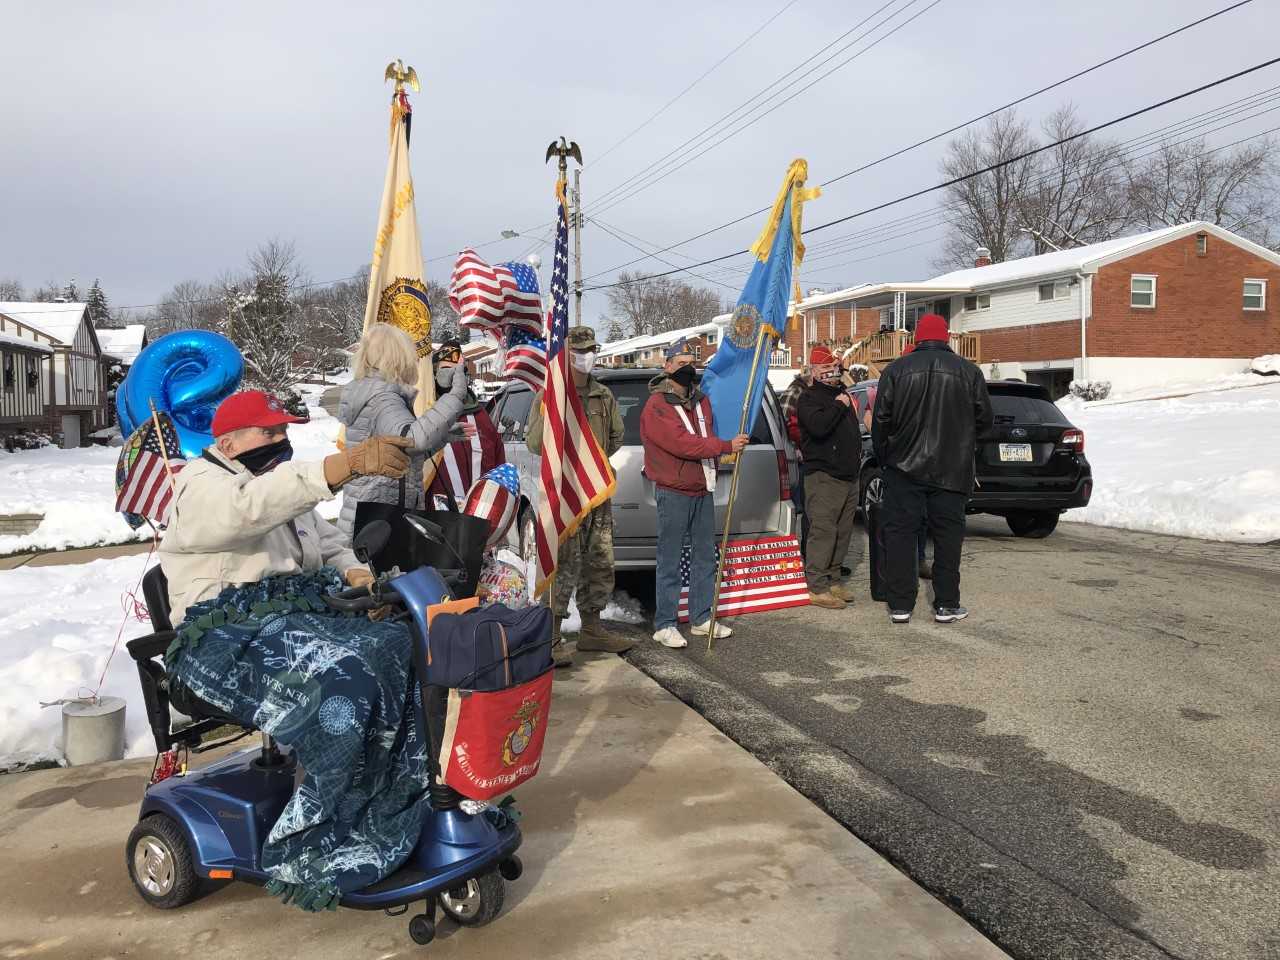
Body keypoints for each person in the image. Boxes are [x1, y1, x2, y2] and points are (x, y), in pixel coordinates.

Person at [159, 390, 431, 907]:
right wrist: (340, 466)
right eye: (270, 432)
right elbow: (250, 512)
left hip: (291, 616)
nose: (280, 441)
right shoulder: (199, 486)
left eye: (285, 432)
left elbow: (323, 541)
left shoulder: (272, 483)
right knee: (343, 675)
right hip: (222, 633)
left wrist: (353, 570)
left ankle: (392, 801)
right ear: (229, 441)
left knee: (401, 643)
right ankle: (315, 840)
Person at [871, 314, 992, 624]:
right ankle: (947, 603)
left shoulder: (897, 370)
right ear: (947, 337)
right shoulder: (969, 372)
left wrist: (887, 457)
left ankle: (900, 605)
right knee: (948, 538)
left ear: (917, 337)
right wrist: (965, 445)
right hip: (951, 469)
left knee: (901, 536)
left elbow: (881, 421)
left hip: (903, 468)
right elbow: (984, 421)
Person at [527, 326, 634, 664]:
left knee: (599, 561)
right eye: (579, 352)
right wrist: (554, 413)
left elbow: (616, 437)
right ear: (566, 355)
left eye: (590, 351)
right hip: (565, 496)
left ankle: (591, 630)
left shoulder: (603, 395)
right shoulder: (551, 394)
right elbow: (534, 443)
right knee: (564, 564)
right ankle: (554, 636)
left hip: (596, 491)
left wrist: (593, 467)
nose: (585, 357)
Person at [639, 339, 749, 649]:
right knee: (670, 559)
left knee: (705, 557)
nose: (687, 367)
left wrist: (722, 452)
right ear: (668, 366)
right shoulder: (657, 405)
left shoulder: (702, 400)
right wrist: (725, 446)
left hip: (703, 488)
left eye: (691, 361)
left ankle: (701, 617)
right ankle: (665, 623)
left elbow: (706, 436)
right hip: (674, 491)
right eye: (681, 362)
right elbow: (682, 443)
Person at [335, 323, 470, 539]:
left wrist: (441, 436)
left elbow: (399, 453)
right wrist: (455, 395)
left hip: (370, 520)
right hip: (377, 527)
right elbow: (413, 439)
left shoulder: (371, 393)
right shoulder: (382, 398)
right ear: (398, 357)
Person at [796, 345, 861, 610]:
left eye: (833, 367)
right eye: (825, 368)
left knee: (843, 532)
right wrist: (837, 405)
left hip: (848, 475)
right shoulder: (809, 398)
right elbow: (819, 428)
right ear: (814, 371)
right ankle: (817, 585)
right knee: (823, 531)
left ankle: (833, 578)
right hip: (824, 475)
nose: (832, 372)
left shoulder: (841, 394)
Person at [424, 338, 506, 508]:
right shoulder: (424, 414)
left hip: (480, 516)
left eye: (458, 370)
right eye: (446, 369)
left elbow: (499, 467)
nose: (453, 375)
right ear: (434, 372)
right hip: (435, 521)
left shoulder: (482, 418)